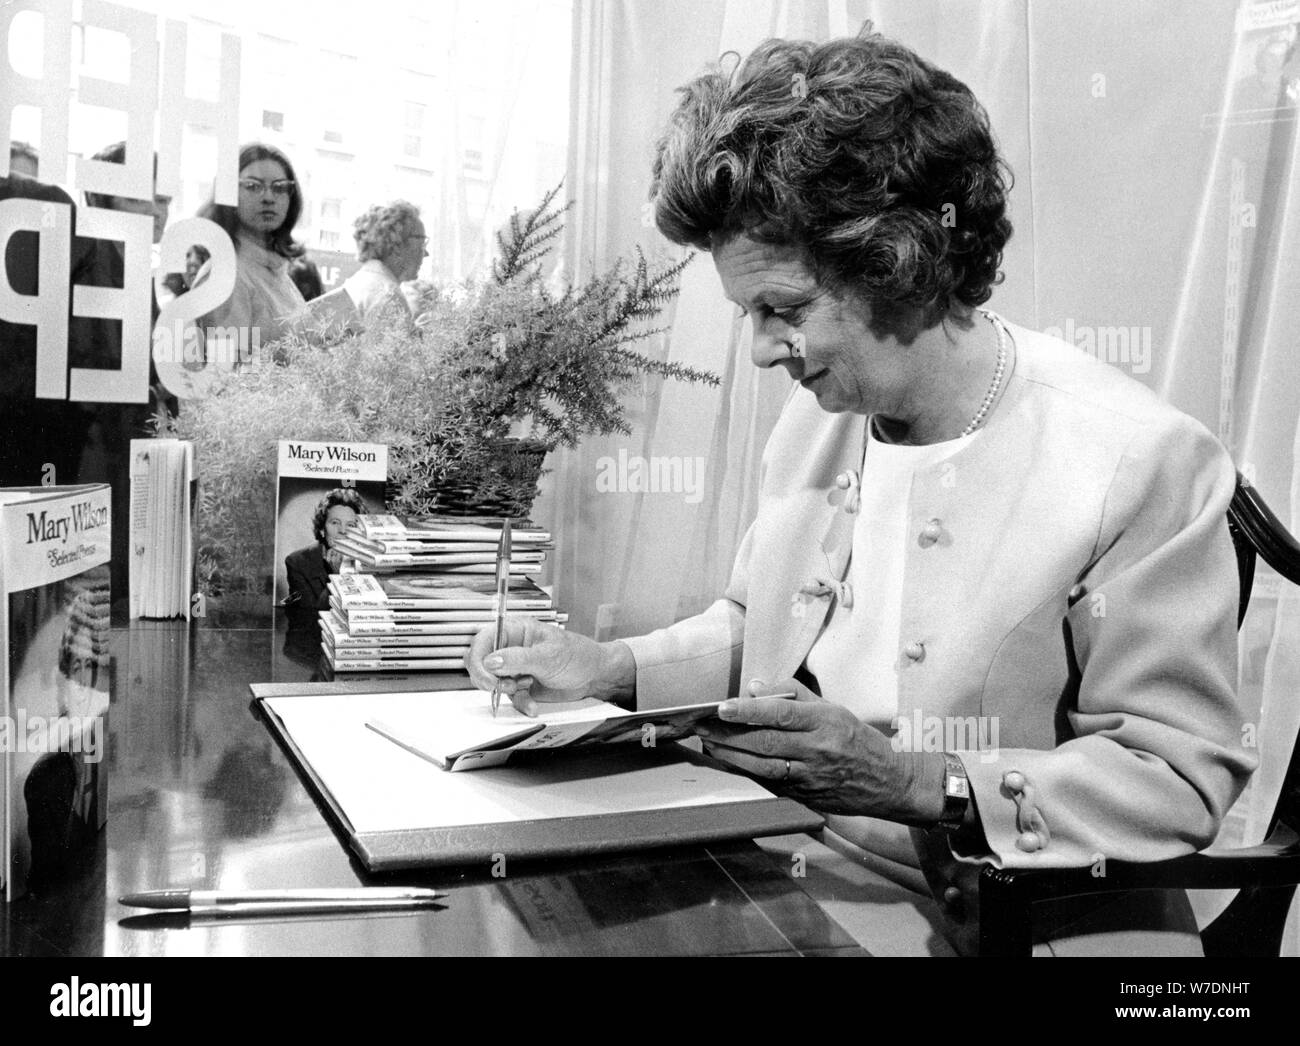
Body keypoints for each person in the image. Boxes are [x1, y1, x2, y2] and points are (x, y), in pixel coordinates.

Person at [466, 33, 1257, 956]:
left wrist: (916, 782)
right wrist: (610, 668)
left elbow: (1177, 777)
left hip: (1014, 924)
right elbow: (754, 624)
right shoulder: (823, 415)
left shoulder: (1141, 457)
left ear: (898, 260)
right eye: (748, 315)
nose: (762, 350)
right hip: (796, 871)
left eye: (784, 310)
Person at [193, 142, 308, 352]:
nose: (268, 198)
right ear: (228, 193)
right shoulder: (225, 275)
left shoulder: (272, 267)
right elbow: (231, 375)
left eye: (280, 187)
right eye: (253, 186)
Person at [341, 200, 426, 322]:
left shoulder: (356, 283)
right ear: (397, 244)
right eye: (421, 243)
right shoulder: (389, 296)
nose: (425, 253)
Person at [284, 488, 368, 610]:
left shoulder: (369, 560)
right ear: (322, 529)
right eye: (335, 523)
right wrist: (337, 577)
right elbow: (310, 619)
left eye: (350, 525)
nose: (343, 531)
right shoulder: (297, 562)